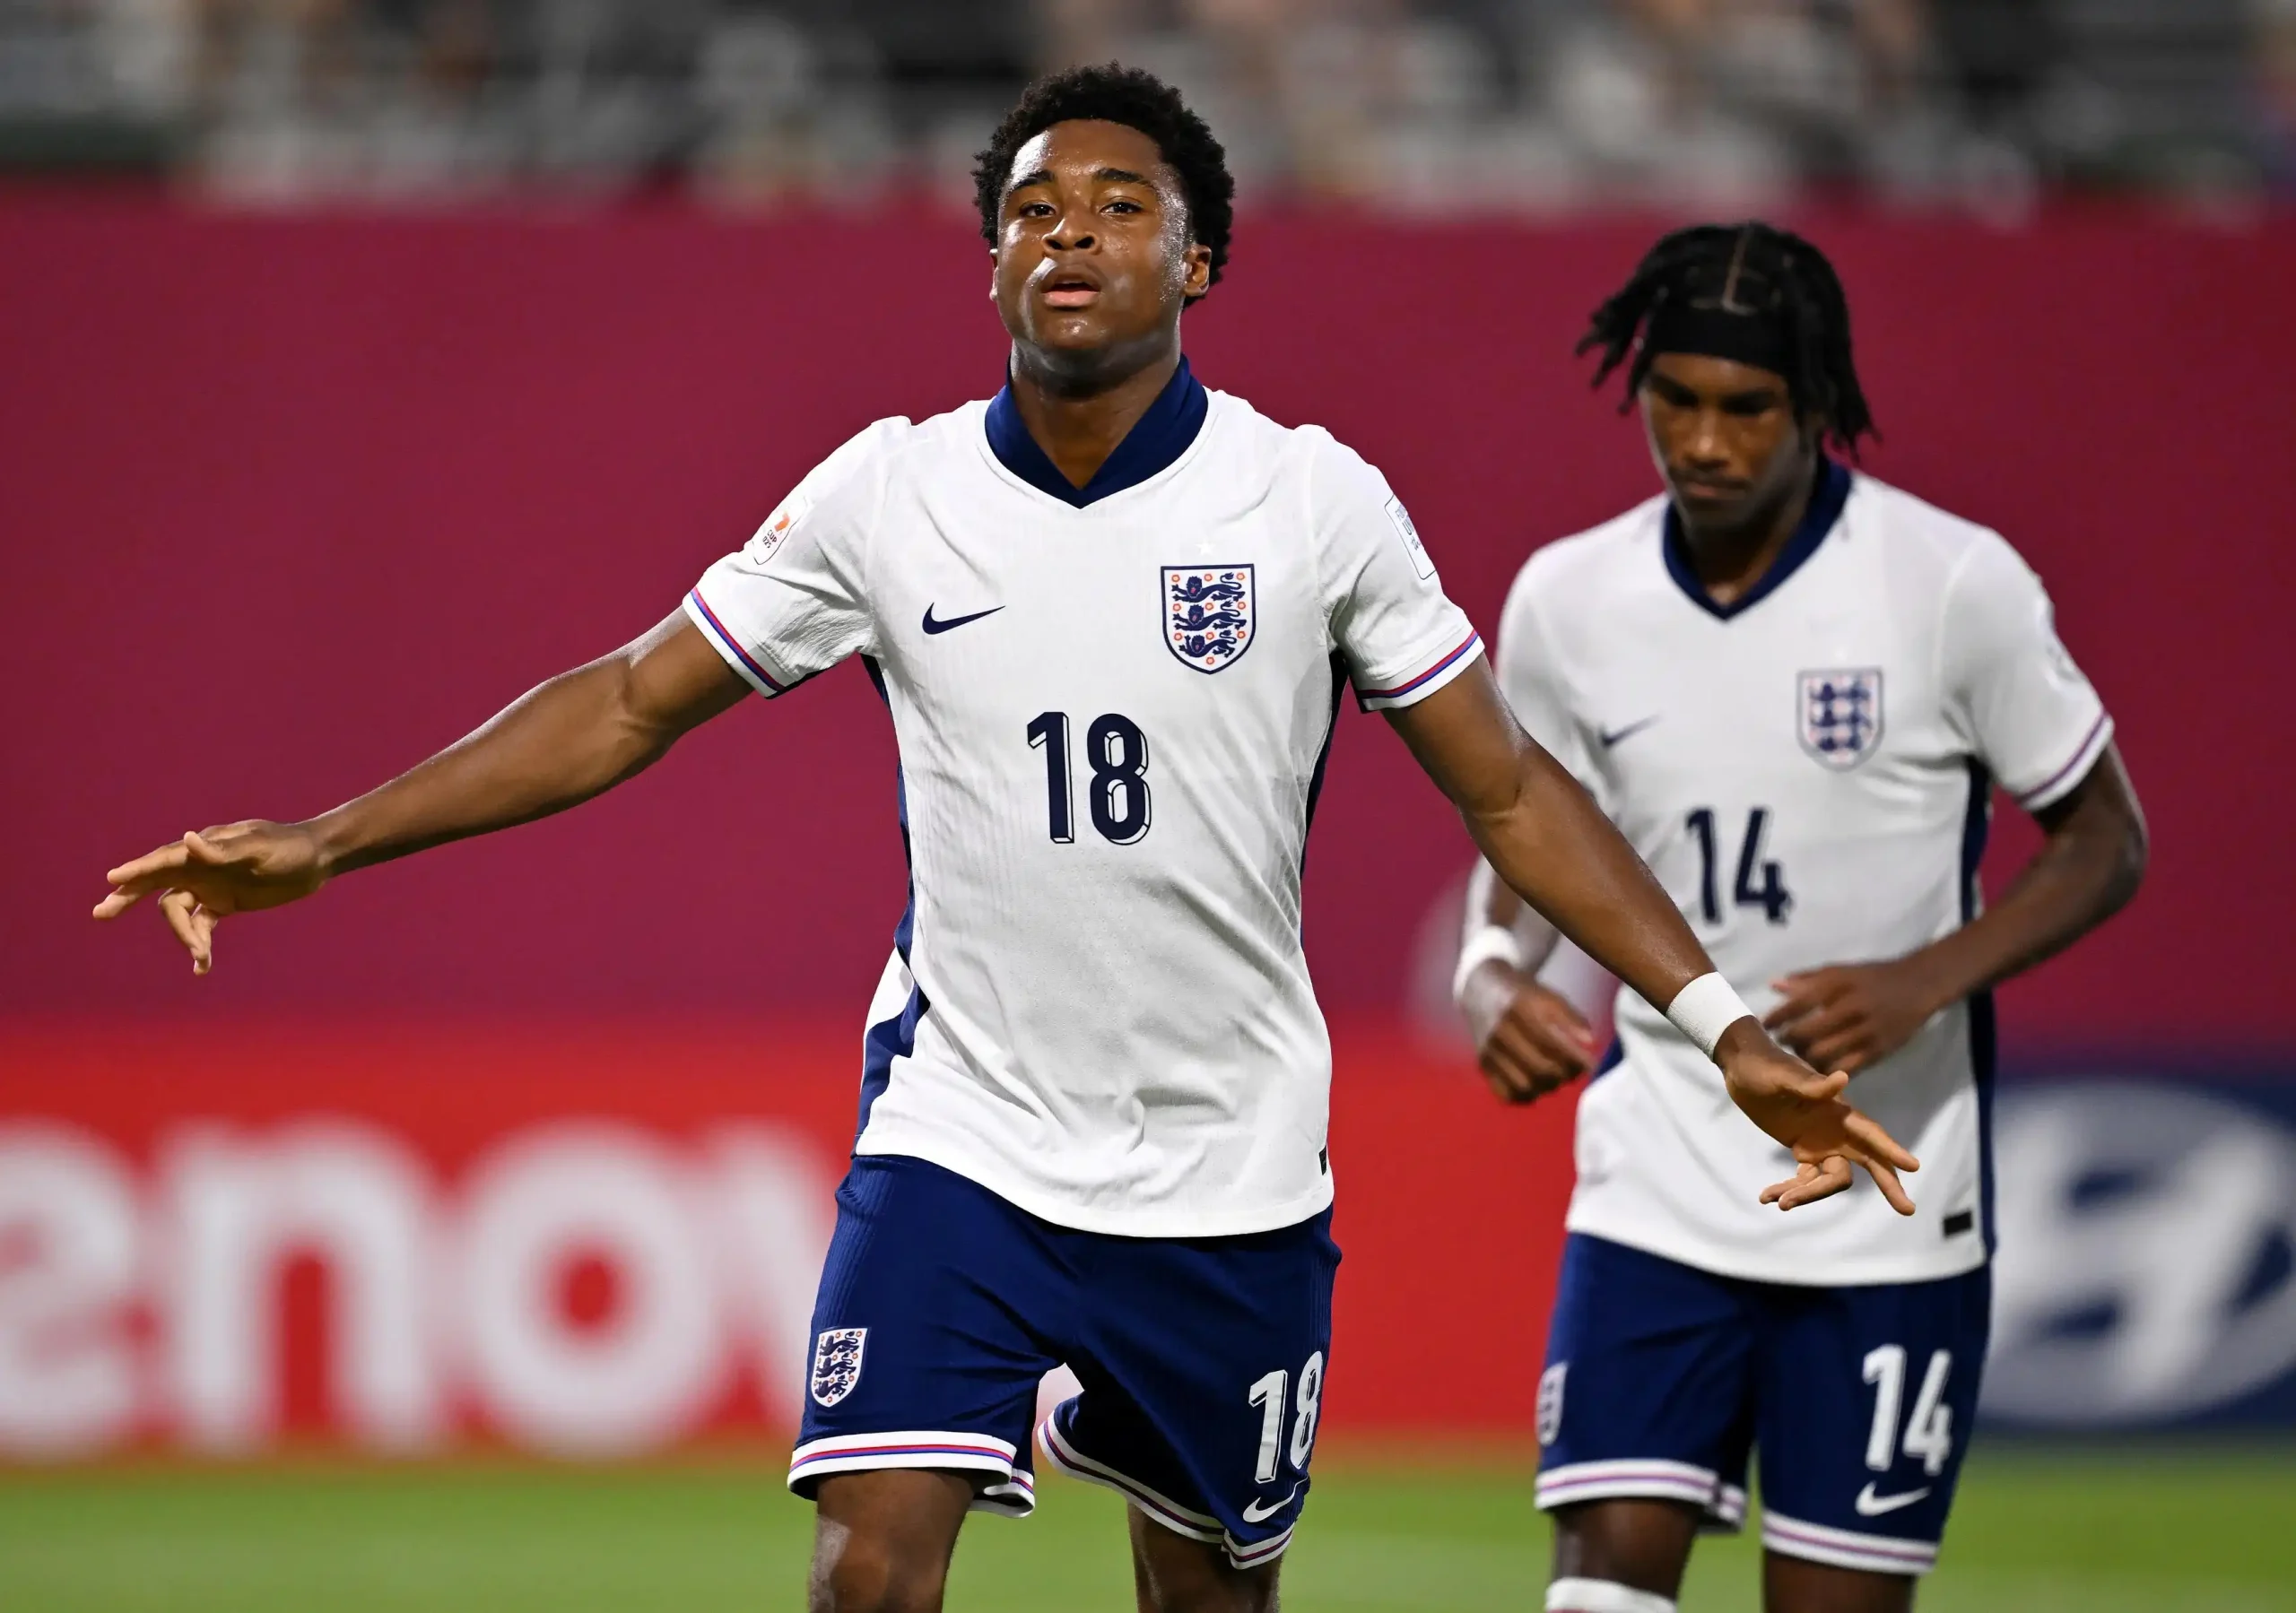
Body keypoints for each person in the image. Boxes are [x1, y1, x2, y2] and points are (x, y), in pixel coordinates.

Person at [94, 76, 1914, 1613]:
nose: (1069, 233)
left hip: (1226, 1167)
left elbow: (1507, 788)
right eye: (1033, 208)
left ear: (1196, 263)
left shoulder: (1307, 501)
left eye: (1121, 208)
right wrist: (330, 838)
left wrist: (1715, 1021)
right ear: (988, 264)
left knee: (1204, 1595)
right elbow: (631, 700)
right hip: (964, 1130)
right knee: (868, 1571)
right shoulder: (890, 494)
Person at [1453, 221, 2148, 1613]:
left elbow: (2105, 840)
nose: (1704, 440)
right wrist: (1488, 968)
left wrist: (1926, 977)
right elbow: (1531, 834)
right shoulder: (1568, 601)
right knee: (1600, 1587)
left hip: (1884, 1186)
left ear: (1818, 402)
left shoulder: (1951, 584)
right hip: (1659, 1168)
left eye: (1748, 406)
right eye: (1675, 398)